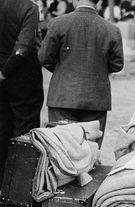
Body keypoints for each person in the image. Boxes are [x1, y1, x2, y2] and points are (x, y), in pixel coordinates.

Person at [39, 0, 124, 148]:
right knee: (90, 151)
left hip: (63, 95)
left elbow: (44, 57)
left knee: (62, 151)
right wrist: (96, 70)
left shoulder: (58, 23)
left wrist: (62, 69)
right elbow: (117, 64)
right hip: (96, 96)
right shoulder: (111, 29)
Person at [0, 0, 44, 187]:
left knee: (2, 128)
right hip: (22, 76)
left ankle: (2, 183)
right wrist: (4, 72)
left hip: (2, 76)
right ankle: (19, 188)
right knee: (25, 131)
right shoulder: (29, 7)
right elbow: (23, 46)